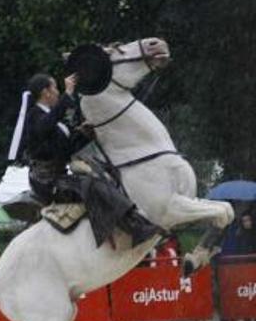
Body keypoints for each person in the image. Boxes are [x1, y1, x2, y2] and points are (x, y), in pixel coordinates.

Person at [19, 73, 158, 247]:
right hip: (46, 182)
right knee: (94, 186)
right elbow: (43, 128)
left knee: (106, 175)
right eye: (55, 88)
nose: (57, 91)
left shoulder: (52, 118)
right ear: (45, 92)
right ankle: (132, 227)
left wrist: (84, 134)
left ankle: (128, 220)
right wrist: (68, 94)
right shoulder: (35, 115)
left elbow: (66, 149)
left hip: (59, 177)